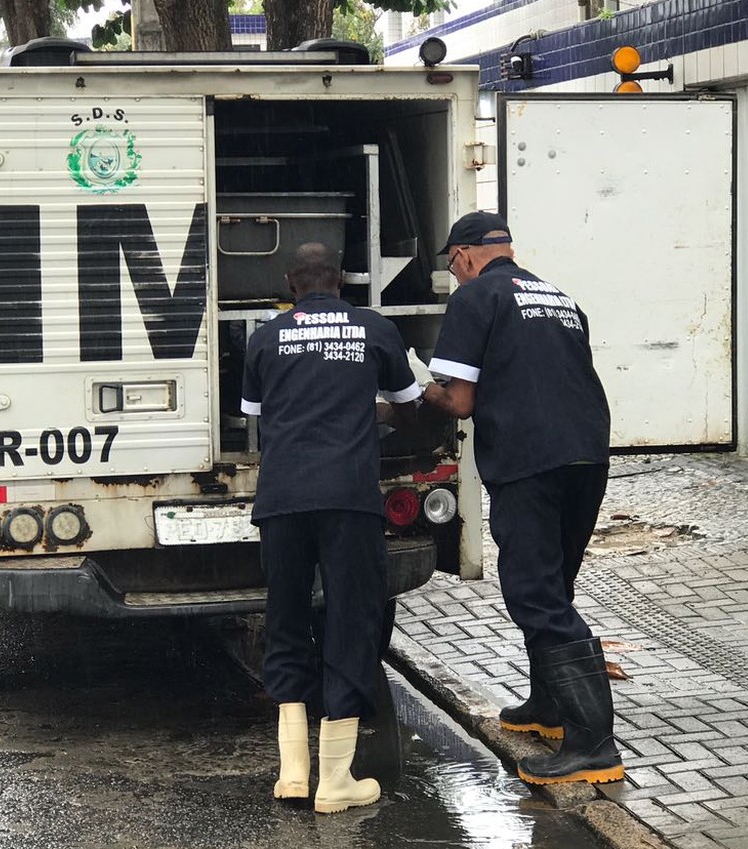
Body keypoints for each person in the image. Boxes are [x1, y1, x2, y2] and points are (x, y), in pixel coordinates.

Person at [409, 211, 624, 786]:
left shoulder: (477, 298)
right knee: (555, 586)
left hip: (530, 461)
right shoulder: (558, 296)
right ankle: (548, 707)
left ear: (464, 255)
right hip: (587, 456)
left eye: (452, 265)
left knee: (535, 594)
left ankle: (593, 746)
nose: (455, 276)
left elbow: (459, 401)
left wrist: (414, 389)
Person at [241, 242, 421, 813]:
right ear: (341, 280)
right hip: (348, 498)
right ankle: (335, 780)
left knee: (286, 619)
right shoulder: (374, 328)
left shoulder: (265, 336)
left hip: (283, 499)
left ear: (290, 282)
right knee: (350, 622)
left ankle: (292, 773)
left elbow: (256, 417)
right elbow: (408, 403)